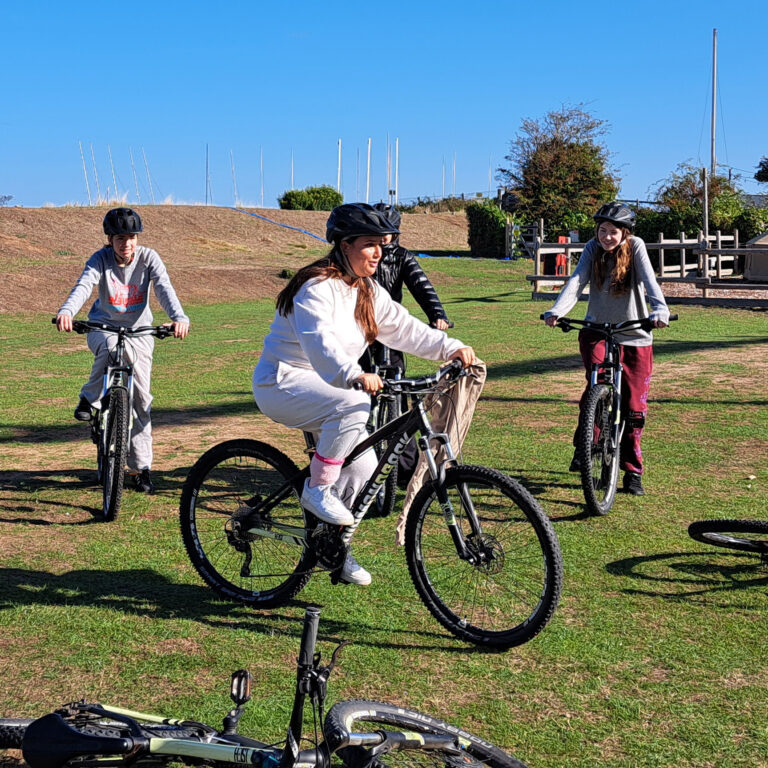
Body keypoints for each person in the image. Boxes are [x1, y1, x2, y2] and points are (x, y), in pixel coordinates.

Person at [252, 202, 477, 585]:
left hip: (329, 386)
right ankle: (317, 488)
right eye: (371, 244)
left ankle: (334, 550)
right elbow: (321, 343)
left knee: (365, 467)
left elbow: (404, 328)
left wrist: (450, 347)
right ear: (343, 244)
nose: (380, 253)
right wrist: (354, 374)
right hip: (283, 382)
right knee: (355, 401)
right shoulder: (316, 288)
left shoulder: (367, 290)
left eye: (384, 244)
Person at [55, 207, 190, 494]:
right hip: (102, 327)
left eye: (130, 237)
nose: (125, 243)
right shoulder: (100, 260)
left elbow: (165, 288)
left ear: (137, 238)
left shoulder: (149, 259)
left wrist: (179, 318)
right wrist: (67, 311)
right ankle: (90, 399)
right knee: (107, 349)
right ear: (109, 238)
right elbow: (84, 285)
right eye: (119, 237)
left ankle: (141, 468)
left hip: (139, 332)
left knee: (141, 398)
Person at [542, 201, 670, 496]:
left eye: (613, 232)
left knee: (635, 408)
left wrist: (660, 310)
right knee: (596, 387)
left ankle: (632, 470)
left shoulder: (636, 247)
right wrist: (558, 309)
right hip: (596, 330)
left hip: (635, 332)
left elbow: (651, 282)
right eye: (603, 230)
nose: (607, 237)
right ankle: (585, 445)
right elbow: (577, 281)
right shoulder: (591, 248)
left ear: (625, 233)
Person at [364, 203, 451, 488]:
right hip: (360, 334)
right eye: (378, 233)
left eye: (388, 233)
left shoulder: (402, 257)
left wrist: (437, 315)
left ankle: (404, 470)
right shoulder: (361, 257)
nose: (383, 240)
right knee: (356, 397)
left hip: (391, 331)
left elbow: (421, 285)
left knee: (399, 403)